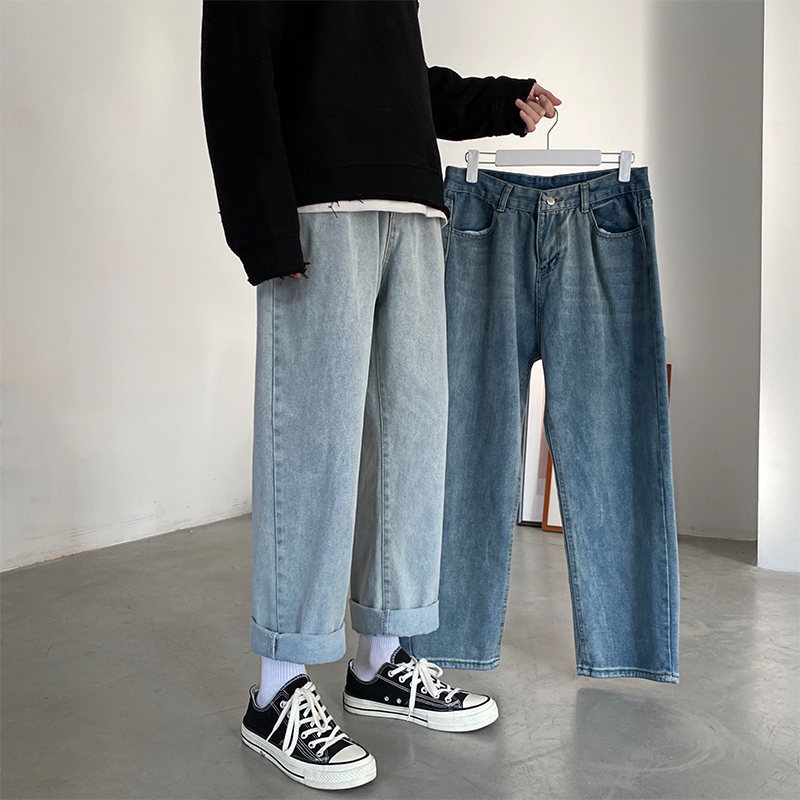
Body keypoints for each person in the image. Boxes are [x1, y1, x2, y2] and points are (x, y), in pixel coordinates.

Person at [201, 0, 561, 791]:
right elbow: (236, 71)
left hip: (417, 211)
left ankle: (380, 662)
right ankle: (276, 689)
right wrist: (262, 229)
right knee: (314, 448)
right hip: (321, 208)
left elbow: (387, 80)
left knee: (413, 444)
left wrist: (494, 101)